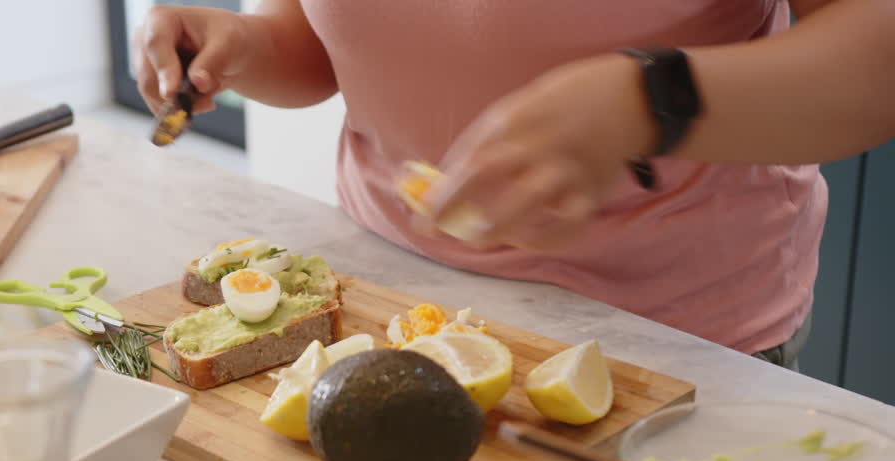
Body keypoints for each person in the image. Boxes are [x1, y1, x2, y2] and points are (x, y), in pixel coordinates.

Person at [131, 0, 895, 370]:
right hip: (393, 304)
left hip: (675, 336)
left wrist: (649, 100)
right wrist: (248, 46)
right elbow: (320, 42)